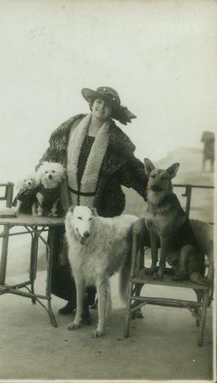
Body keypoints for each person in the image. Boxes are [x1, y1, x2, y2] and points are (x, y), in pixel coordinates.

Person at [37, 86, 148, 322]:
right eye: (98, 102)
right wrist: (38, 180)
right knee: (66, 253)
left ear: (112, 111)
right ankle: (72, 299)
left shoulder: (116, 139)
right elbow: (52, 154)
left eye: (107, 105)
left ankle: (86, 304)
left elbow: (132, 169)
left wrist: (153, 190)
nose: (101, 107)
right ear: (92, 103)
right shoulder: (72, 125)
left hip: (100, 204)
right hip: (69, 201)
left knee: (94, 254)